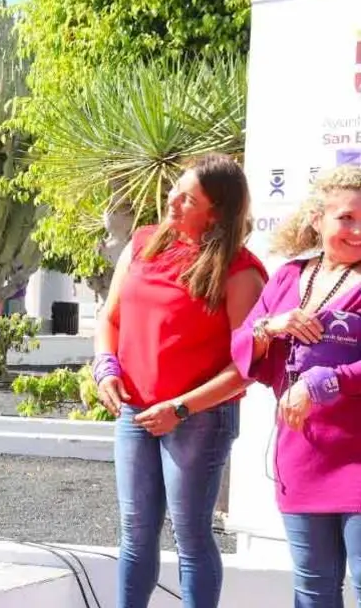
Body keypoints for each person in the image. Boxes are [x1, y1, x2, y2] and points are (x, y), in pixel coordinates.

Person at [93, 153, 267, 608]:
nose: (172, 201)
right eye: (175, 188)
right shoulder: (144, 243)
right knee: (135, 531)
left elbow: (245, 366)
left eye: (188, 199)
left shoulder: (240, 271)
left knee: (191, 535)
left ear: (218, 212)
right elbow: (109, 319)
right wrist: (105, 367)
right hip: (135, 410)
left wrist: (183, 408)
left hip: (199, 419)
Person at [229, 165, 361, 607]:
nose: (358, 230)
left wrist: (327, 381)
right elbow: (242, 346)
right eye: (346, 218)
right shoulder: (287, 278)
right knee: (312, 593)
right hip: (302, 456)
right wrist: (271, 325)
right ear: (317, 218)